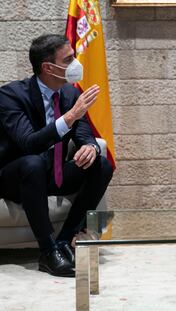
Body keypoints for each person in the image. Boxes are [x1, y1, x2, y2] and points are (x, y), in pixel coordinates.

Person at [0, 34, 113, 277]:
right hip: (17, 178)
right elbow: (29, 143)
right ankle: (48, 251)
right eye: (69, 59)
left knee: (102, 165)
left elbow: (84, 135)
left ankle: (63, 241)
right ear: (48, 67)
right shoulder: (10, 96)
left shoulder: (70, 94)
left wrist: (89, 148)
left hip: (54, 174)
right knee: (33, 162)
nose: (76, 64)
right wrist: (70, 117)